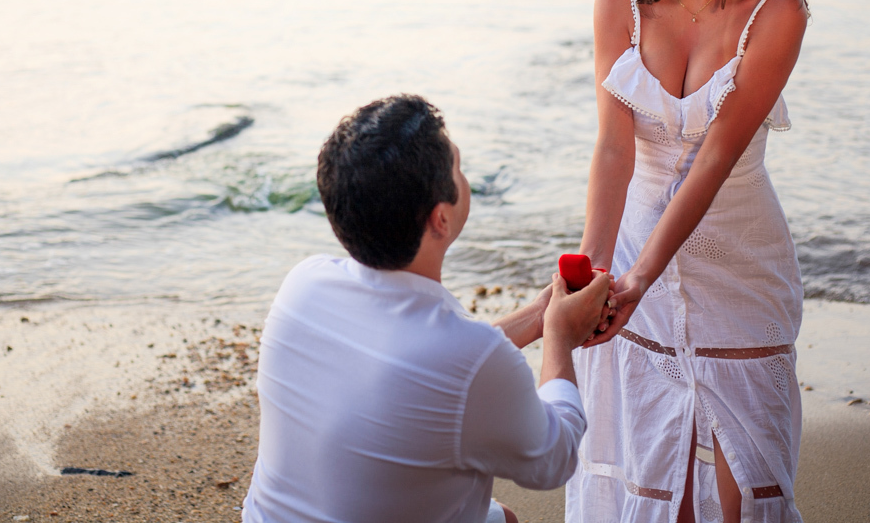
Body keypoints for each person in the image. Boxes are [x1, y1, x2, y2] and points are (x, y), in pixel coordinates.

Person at [568, 0, 810, 523]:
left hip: (738, 269)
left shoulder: (777, 12)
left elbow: (716, 155)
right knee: (655, 478)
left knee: (746, 486)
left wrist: (642, 276)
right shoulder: (620, 2)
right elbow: (614, 150)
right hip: (631, 263)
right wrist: (594, 269)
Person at [242, 95, 614, 523]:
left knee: (501, 518)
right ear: (440, 218)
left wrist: (538, 316)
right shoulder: (467, 357)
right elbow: (555, 457)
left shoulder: (302, 285)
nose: (464, 175)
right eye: (459, 167)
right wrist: (561, 338)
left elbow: (424, 368)